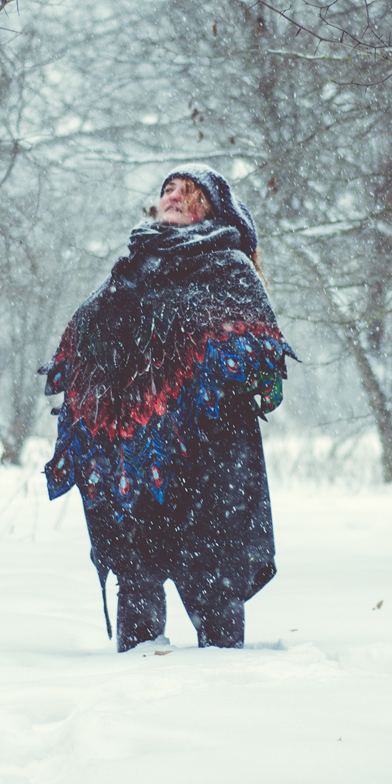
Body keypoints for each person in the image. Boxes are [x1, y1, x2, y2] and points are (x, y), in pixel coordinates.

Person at [42, 165, 296, 651]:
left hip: (211, 461)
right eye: (168, 190)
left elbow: (266, 380)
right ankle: (133, 702)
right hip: (140, 463)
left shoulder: (230, 268)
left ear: (211, 207)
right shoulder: (133, 270)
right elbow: (82, 343)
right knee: (136, 583)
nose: (174, 197)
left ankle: (222, 701)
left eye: (189, 192)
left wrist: (211, 375)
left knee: (215, 591)